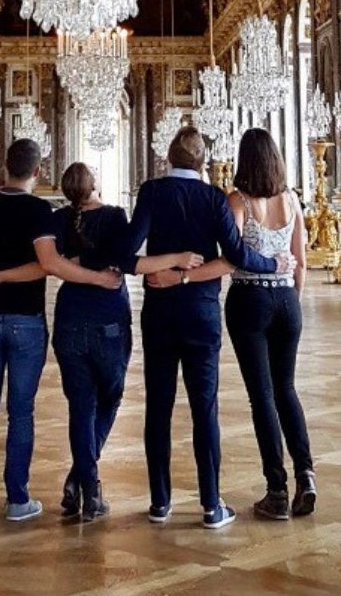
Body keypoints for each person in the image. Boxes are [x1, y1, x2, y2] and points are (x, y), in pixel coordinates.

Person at [0, 163, 203, 522]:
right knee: (110, 398)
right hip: (109, 319)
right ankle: (87, 482)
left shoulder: (58, 219)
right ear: (95, 183)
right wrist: (177, 259)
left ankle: (83, 480)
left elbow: (52, 263)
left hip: (69, 317)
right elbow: (131, 263)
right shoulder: (115, 216)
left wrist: (77, 262)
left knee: (81, 405)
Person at [119, 127, 291, 529]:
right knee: (204, 408)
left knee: (158, 407)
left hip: (160, 311)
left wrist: (164, 264)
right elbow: (236, 255)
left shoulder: (152, 192)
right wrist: (274, 264)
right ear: (203, 162)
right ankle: (212, 504)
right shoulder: (214, 198)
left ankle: (160, 502)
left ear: (168, 157)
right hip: (202, 313)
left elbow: (126, 250)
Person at [0, 139, 119, 522]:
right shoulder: (40, 211)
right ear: (37, 171)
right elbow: (48, 264)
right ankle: (17, 499)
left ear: (4, 168)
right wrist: (97, 278)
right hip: (26, 321)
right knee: (21, 412)